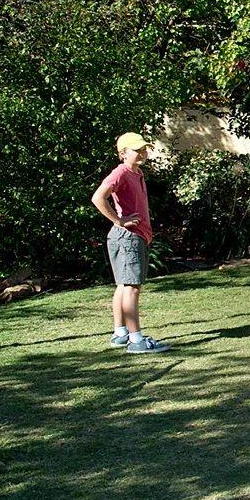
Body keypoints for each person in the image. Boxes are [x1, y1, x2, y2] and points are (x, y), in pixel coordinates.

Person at [91, 132, 170, 353]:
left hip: (133, 237)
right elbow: (98, 197)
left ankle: (121, 334)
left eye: (144, 149)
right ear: (123, 153)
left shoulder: (137, 173)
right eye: (137, 149)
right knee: (132, 288)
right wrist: (119, 220)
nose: (143, 153)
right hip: (128, 237)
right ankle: (136, 341)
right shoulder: (121, 173)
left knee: (123, 286)